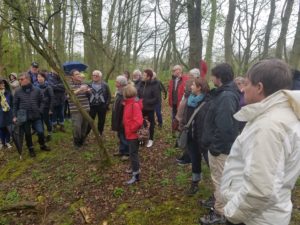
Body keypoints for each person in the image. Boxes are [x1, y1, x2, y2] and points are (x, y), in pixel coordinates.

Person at [220, 59, 300, 225]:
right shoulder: (282, 115)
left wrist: (231, 214)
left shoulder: (269, 126)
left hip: (254, 218)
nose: (242, 89)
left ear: (259, 87)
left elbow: (260, 190)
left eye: (247, 83)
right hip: (266, 214)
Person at [200, 63, 240, 224]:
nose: (211, 78)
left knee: (221, 181)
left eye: (213, 76)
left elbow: (225, 127)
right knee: (219, 179)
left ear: (220, 78)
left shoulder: (226, 97)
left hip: (221, 150)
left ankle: (220, 214)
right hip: (219, 148)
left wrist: (215, 149)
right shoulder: (224, 93)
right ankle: (218, 203)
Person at [13, 73, 50, 157]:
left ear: (28, 79)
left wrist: (40, 110)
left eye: (22, 79)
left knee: (40, 131)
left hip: (36, 115)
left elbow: (43, 101)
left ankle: (42, 145)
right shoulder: (18, 91)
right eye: (19, 79)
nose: (20, 81)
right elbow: (15, 104)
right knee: (28, 134)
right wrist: (14, 116)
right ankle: (31, 149)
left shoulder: (37, 90)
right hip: (23, 116)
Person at [184, 78, 210, 196]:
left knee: (210, 161)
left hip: (202, 137)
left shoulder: (207, 102)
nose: (191, 87)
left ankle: (218, 187)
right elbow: (186, 115)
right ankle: (195, 182)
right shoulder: (189, 99)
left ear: (199, 88)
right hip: (191, 136)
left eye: (193, 85)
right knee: (194, 159)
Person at [175, 68, 201, 165]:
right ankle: (185, 155)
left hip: (190, 115)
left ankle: (188, 158)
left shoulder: (198, 85)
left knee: (189, 137)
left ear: (196, 76)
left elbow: (194, 99)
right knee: (185, 135)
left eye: (191, 75)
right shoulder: (190, 83)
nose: (189, 77)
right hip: (185, 113)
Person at [122, 84, 143, 184]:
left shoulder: (134, 105)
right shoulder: (128, 104)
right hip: (129, 133)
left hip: (133, 135)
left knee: (133, 154)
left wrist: (131, 128)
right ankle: (134, 169)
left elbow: (138, 121)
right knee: (132, 153)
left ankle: (136, 175)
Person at [137, 69, 160, 148]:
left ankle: (150, 139)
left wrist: (146, 101)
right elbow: (137, 94)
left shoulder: (154, 85)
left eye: (144, 75)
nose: (142, 76)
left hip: (149, 108)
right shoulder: (140, 84)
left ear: (148, 77)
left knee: (151, 124)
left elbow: (156, 98)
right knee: (141, 123)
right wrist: (137, 100)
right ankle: (142, 138)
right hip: (140, 108)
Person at [68, 69, 90, 149]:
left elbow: (89, 96)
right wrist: (80, 89)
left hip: (86, 108)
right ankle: (77, 142)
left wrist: (88, 91)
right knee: (77, 127)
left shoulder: (84, 83)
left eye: (79, 74)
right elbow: (68, 96)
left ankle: (82, 141)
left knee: (84, 126)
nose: (79, 75)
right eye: (77, 74)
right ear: (72, 77)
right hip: (75, 110)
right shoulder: (68, 85)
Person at [87, 70, 111, 136]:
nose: (94, 77)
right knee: (90, 121)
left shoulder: (105, 85)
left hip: (102, 106)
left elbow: (109, 95)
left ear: (100, 77)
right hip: (92, 106)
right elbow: (85, 95)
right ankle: (86, 133)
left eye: (96, 75)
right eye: (93, 75)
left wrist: (106, 105)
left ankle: (99, 133)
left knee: (101, 121)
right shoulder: (88, 84)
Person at [111, 75, 129, 159]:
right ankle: (121, 150)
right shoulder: (118, 91)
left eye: (117, 82)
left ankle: (127, 153)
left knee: (124, 136)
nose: (115, 83)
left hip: (124, 119)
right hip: (118, 117)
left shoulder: (126, 93)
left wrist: (124, 120)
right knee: (120, 135)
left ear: (121, 83)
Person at [36, 71, 54, 141]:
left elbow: (52, 98)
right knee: (39, 121)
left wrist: (50, 109)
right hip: (38, 108)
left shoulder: (48, 87)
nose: (39, 78)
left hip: (46, 107)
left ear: (44, 78)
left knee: (46, 121)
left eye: (41, 77)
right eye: (38, 77)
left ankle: (49, 133)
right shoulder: (35, 87)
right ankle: (41, 135)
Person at [0, 78, 13, 149]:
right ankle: (2, 142)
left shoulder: (8, 93)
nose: (3, 84)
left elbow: (12, 103)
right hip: (0, 114)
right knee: (1, 128)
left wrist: (13, 113)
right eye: (1, 83)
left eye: (3, 83)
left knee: (8, 128)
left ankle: (7, 141)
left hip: (8, 113)